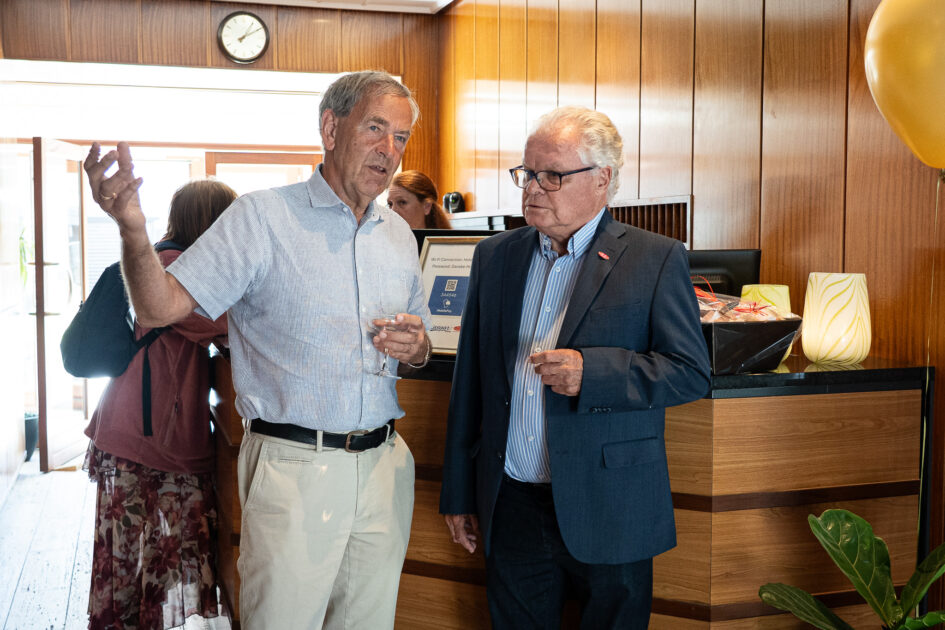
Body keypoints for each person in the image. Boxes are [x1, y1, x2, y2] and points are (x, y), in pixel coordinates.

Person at [83, 71, 433, 630]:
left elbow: (420, 349)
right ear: (330, 127)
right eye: (375, 128)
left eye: (401, 137)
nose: (389, 150)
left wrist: (417, 347)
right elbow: (158, 307)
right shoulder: (262, 217)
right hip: (296, 465)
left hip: (386, 464)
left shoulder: (397, 235)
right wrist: (131, 228)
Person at [439, 106, 711, 629]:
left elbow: (689, 371)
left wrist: (595, 373)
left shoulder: (655, 258)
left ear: (603, 180)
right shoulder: (495, 256)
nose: (533, 188)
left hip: (610, 505)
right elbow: (469, 383)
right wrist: (459, 491)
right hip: (511, 501)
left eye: (553, 175)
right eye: (527, 173)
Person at [83, 179, 236, 629]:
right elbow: (234, 323)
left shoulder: (165, 261)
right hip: (149, 441)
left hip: (133, 430)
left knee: (133, 558)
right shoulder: (175, 266)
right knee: (149, 561)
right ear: (212, 223)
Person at [387, 170, 452, 229]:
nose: (393, 212)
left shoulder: (446, 241)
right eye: (390, 204)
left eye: (402, 202)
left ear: (427, 206)